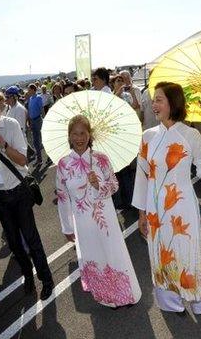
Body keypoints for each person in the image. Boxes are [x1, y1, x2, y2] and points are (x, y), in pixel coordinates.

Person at [132, 81, 201, 315]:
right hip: (154, 208)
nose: (154, 104)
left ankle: (195, 297)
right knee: (160, 251)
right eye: (153, 100)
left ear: (173, 103)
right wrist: (141, 213)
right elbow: (142, 175)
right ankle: (169, 301)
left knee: (185, 249)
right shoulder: (147, 136)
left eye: (159, 99)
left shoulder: (190, 135)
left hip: (182, 205)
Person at [56, 115, 141, 307]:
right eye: (75, 134)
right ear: (69, 136)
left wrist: (99, 185)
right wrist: (67, 227)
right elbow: (63, 198)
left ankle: (126, 295)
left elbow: (114, 185)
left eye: (83, 133)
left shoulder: (101, 159)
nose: (79, 138)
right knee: (95, 257)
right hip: (83, 222)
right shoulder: (63, 165)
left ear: (89, 134)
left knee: (113, 253)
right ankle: (108, 298)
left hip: (106, 219)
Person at [0, 92, 54, 300]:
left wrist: (2, 144)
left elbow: (22, 160)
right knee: (14, 243)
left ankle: (46, 280)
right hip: (0, 196)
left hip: (19, 191)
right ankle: (28, 276)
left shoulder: (10, 126)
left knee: (31, 238)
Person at [26, 84, 44, 164]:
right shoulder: (30, 98)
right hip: (33, 121)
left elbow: (41, 109)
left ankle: (47, 157)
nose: (28, 91)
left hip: (38, 120)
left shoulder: (38, 97)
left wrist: (44, 119)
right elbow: (29, 111)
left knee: (41, 140)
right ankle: (39, 158)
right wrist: (29, 122)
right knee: (35, 141)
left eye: (29, 90)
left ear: (33, 90)